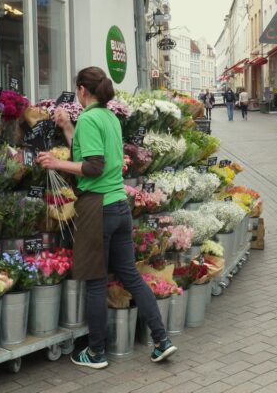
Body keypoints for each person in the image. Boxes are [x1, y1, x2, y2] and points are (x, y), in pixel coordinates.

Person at [37, 66, 177, 369]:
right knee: (131, 276)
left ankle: (96, 352)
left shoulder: (88, 119)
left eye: (77, 89)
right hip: (119, 205)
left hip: (97, 207)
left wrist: (55, 163)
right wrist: (67, 128)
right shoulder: (110, 117)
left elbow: (92, 167)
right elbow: (94, 154)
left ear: (83, 90)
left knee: (97, 282)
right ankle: (162, 340)